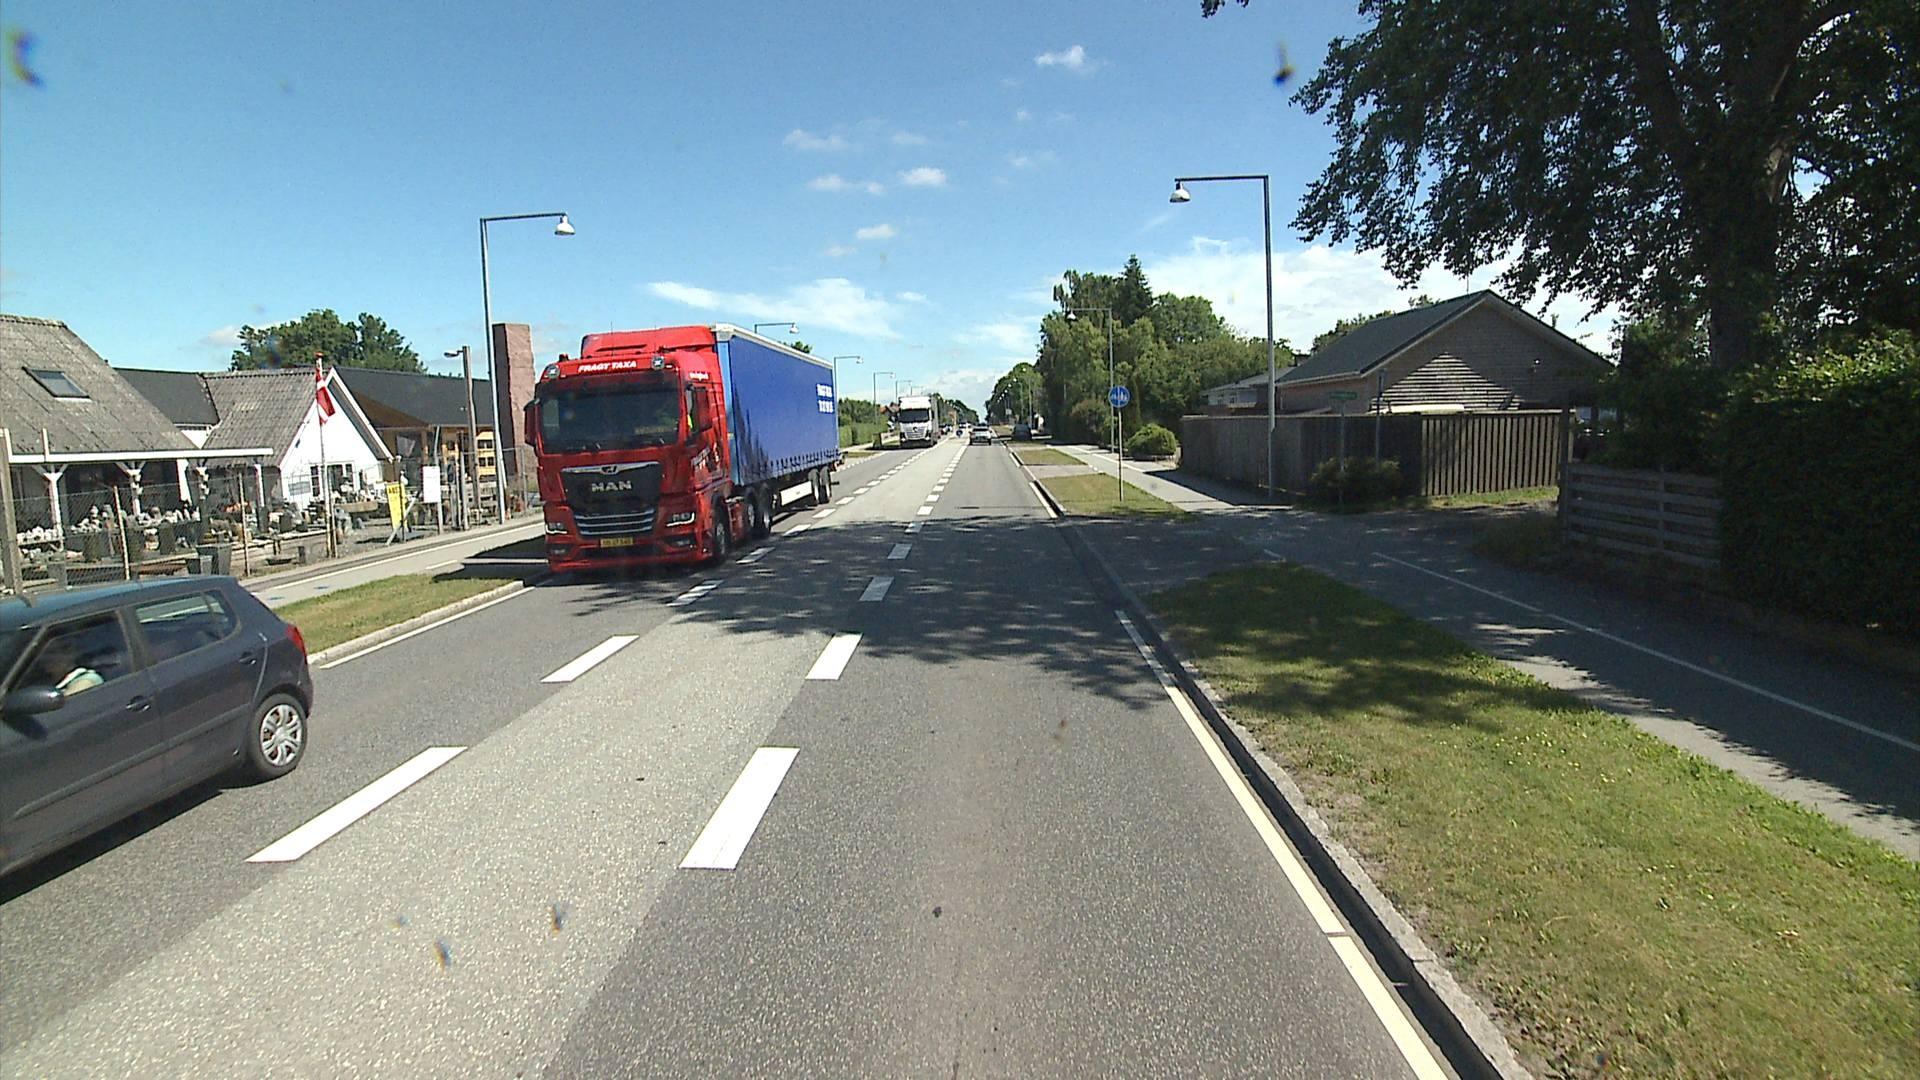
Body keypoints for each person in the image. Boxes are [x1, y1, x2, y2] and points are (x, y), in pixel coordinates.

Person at [36, 635, 103, 697]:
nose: (46, 659)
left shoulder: (87, 679)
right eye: (43, 654)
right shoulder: (42, 682)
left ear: (69, 653)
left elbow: (67, 703)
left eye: (52, 652)